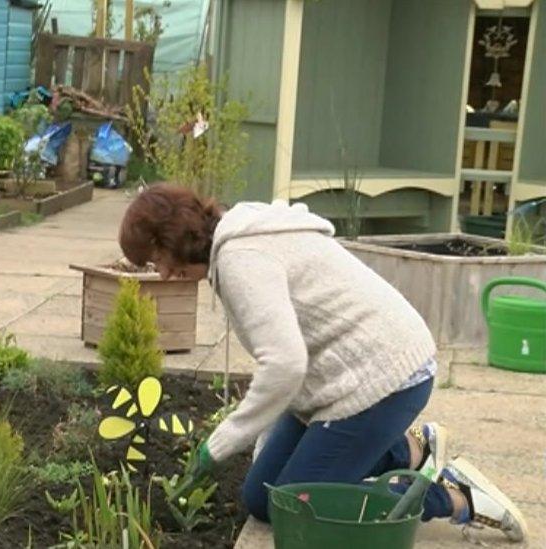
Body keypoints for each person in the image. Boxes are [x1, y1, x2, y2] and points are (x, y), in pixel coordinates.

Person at [118, 184, 528, 542]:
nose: (162, 273)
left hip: (384, 378)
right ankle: (412, 449)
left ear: (174, 239)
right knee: (262, 500)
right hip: (337, 382)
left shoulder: (243, 259)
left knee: (302, 510)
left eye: (156, 258)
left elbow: (284, 366)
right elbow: (288, 363)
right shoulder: (239, 237)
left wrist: (219, 444)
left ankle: (459, 499)